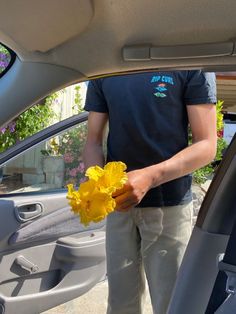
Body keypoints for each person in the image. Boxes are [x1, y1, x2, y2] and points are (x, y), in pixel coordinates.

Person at [83, 71, 217, 314]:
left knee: (171, 305)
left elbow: (207, 145)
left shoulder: (190, 63)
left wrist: (151, 177)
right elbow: (92, 141)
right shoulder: (107, 66)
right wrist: (97, 186)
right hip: (118, 207)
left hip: (170, 207)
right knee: (120, 305)